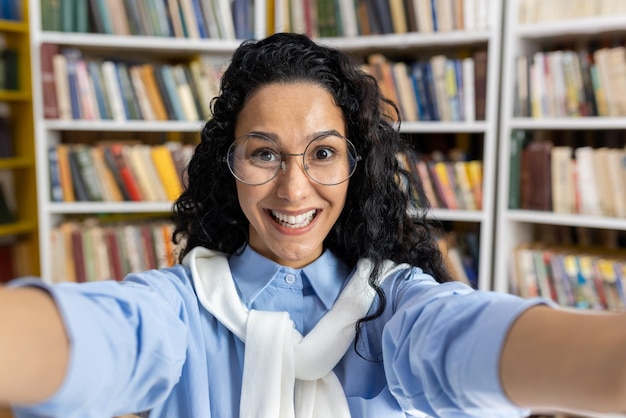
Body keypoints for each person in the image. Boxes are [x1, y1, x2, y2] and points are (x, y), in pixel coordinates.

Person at [1, 32, 625, 418]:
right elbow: (107, 338)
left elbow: (463, 341)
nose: (294, 189)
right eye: (264, 153)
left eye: (323, 153)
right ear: (231, 166)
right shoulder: (181, 306)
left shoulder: (395, 305)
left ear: (355, 167)